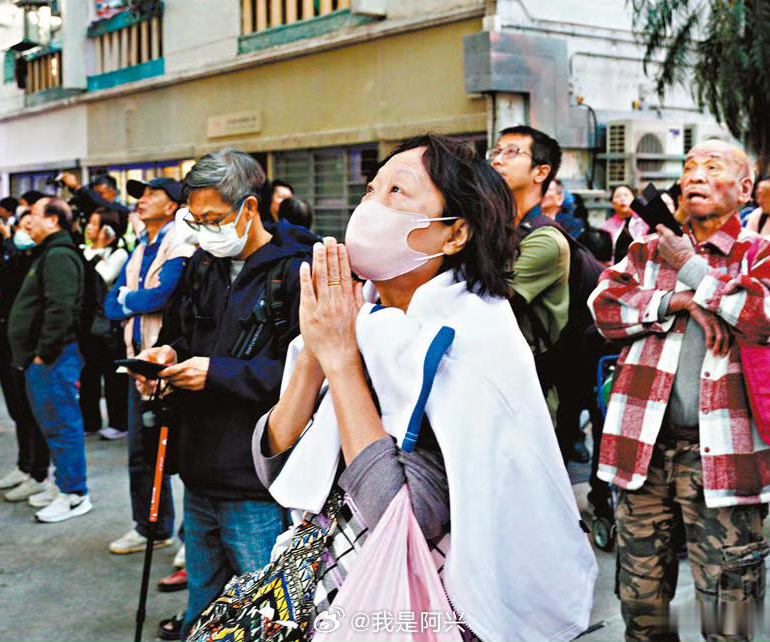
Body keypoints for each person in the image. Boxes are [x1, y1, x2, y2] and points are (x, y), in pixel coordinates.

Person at [240, 135, 596, 642]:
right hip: (322, 581)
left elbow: (399, 519)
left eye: (397, 192)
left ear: (455, 233)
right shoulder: (359, 313)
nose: (370, 206)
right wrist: (317, 350)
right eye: (371, 189)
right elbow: (276, 464)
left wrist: (340, 360)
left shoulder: (470, 342)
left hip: (411, 606)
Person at [589, 140, 770, 641]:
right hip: (642, 452)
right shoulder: (644, 251)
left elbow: (761, 314)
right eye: (689, 167)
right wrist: (678, 301)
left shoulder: (769, 252)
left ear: (744, 189)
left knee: (729, 612)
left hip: (726, 458)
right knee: (641, 606)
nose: (696, 176)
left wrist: (690, 267)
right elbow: (603, 309)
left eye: (712, 167)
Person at [132, 150, 312, 639]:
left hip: (255, 479)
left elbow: (304, 375)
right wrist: (166, 354)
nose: (204, 231)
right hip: (199, 469)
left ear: (249, 208)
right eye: (195, 220)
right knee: (204, 601)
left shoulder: (295, 273)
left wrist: (218, 374)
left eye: (213, 219)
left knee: (263, 609)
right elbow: (180, 333)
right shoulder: (203, 266)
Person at [489, 125, 592, 464]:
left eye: (511, 152)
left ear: (541, 172)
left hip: (530, 390)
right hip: (495, 379)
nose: (498, 160)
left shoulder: (546, 239)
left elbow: (488, 299)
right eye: (496, 152)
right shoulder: (498, 230)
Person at [103, 178, 195, 555]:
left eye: (152, 194)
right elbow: (111, 304)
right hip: (137, 363)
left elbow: (164, 296)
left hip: (170, 363)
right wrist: (133, 300)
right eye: (140, 195)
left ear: (172, 205)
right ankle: (151, 528)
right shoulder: (140, 246)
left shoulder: (180, 244)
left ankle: (194, 539)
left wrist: (131, 299)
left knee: (184, 453)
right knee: (140, 453)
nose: (142, 200)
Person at [8, 197, 91, 523]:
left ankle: (75, 495)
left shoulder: (58, 256)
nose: (27, 221)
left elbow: (61, 308)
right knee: (53, 425)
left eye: (34, 214)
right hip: (47, 358)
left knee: (62, 425)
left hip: (55, 358)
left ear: (53, 220)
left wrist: (44, 353)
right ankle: (63, 485)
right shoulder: (48, 253)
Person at [0, 211, 52, 501]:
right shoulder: (21, 254)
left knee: (33, 411)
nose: (25, 228)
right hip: (8, 343)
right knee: (19, 410)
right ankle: (25, 465)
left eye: (32, 222)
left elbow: (11, 284)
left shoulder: (47, 257)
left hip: (30, 345)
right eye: (22, 224)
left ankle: (40, 473)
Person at [79, 210, 130, 436]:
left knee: (112, 376)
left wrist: (99, 250)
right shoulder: (84, 250)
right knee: (88, 375)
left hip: (109, 325)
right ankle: (90, 422)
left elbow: (105, 276)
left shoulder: (119, 254)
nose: (89, 228)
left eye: (95, 224)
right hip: (87, 322)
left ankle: (118, 423)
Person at [601, 184, 649, 264]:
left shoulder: (645, 222)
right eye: (617, 196)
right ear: (612, 203)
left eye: (626, 195)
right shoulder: (607, 226)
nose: (622, 199)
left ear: (634, 199)